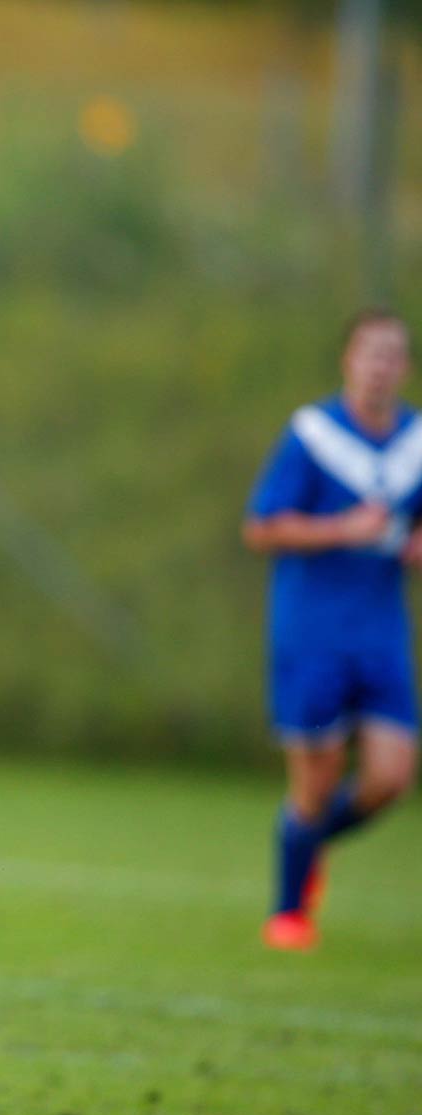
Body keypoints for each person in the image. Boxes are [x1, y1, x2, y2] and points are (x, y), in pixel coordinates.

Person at [243, 308, 420, 952]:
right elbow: (261, 528)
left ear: (404, 366)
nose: (380, 366)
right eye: (370, 353)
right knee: (313, 782)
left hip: (380, 632)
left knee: (391, 778)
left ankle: (308, 849)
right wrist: (340, 530)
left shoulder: (416, 444)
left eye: (393, 355)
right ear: (348, 360)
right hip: (310, 629)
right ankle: (289, 912)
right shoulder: (313, 436)